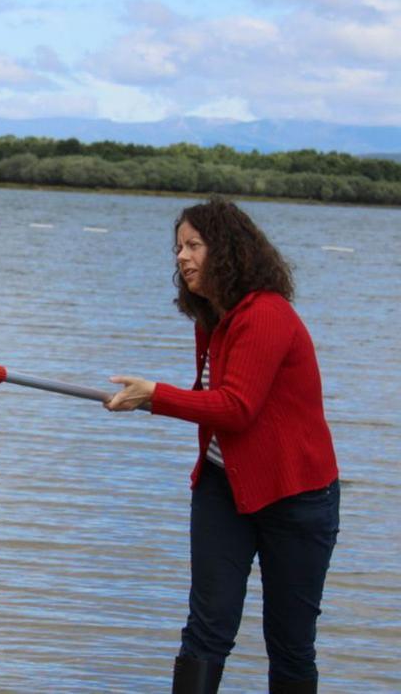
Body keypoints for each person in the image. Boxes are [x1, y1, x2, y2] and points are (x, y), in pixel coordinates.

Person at [106, 197, 340, 693]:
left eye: (194, 245)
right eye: (178, 247)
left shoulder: (267, 315)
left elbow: (236, 407)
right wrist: (146, 399)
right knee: (206, 631)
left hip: (295, 498)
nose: (182, 257)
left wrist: (156, 396)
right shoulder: (212, 317)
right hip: (222, 490)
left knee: (290, 643)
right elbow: (210, 401)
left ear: (228, 250)